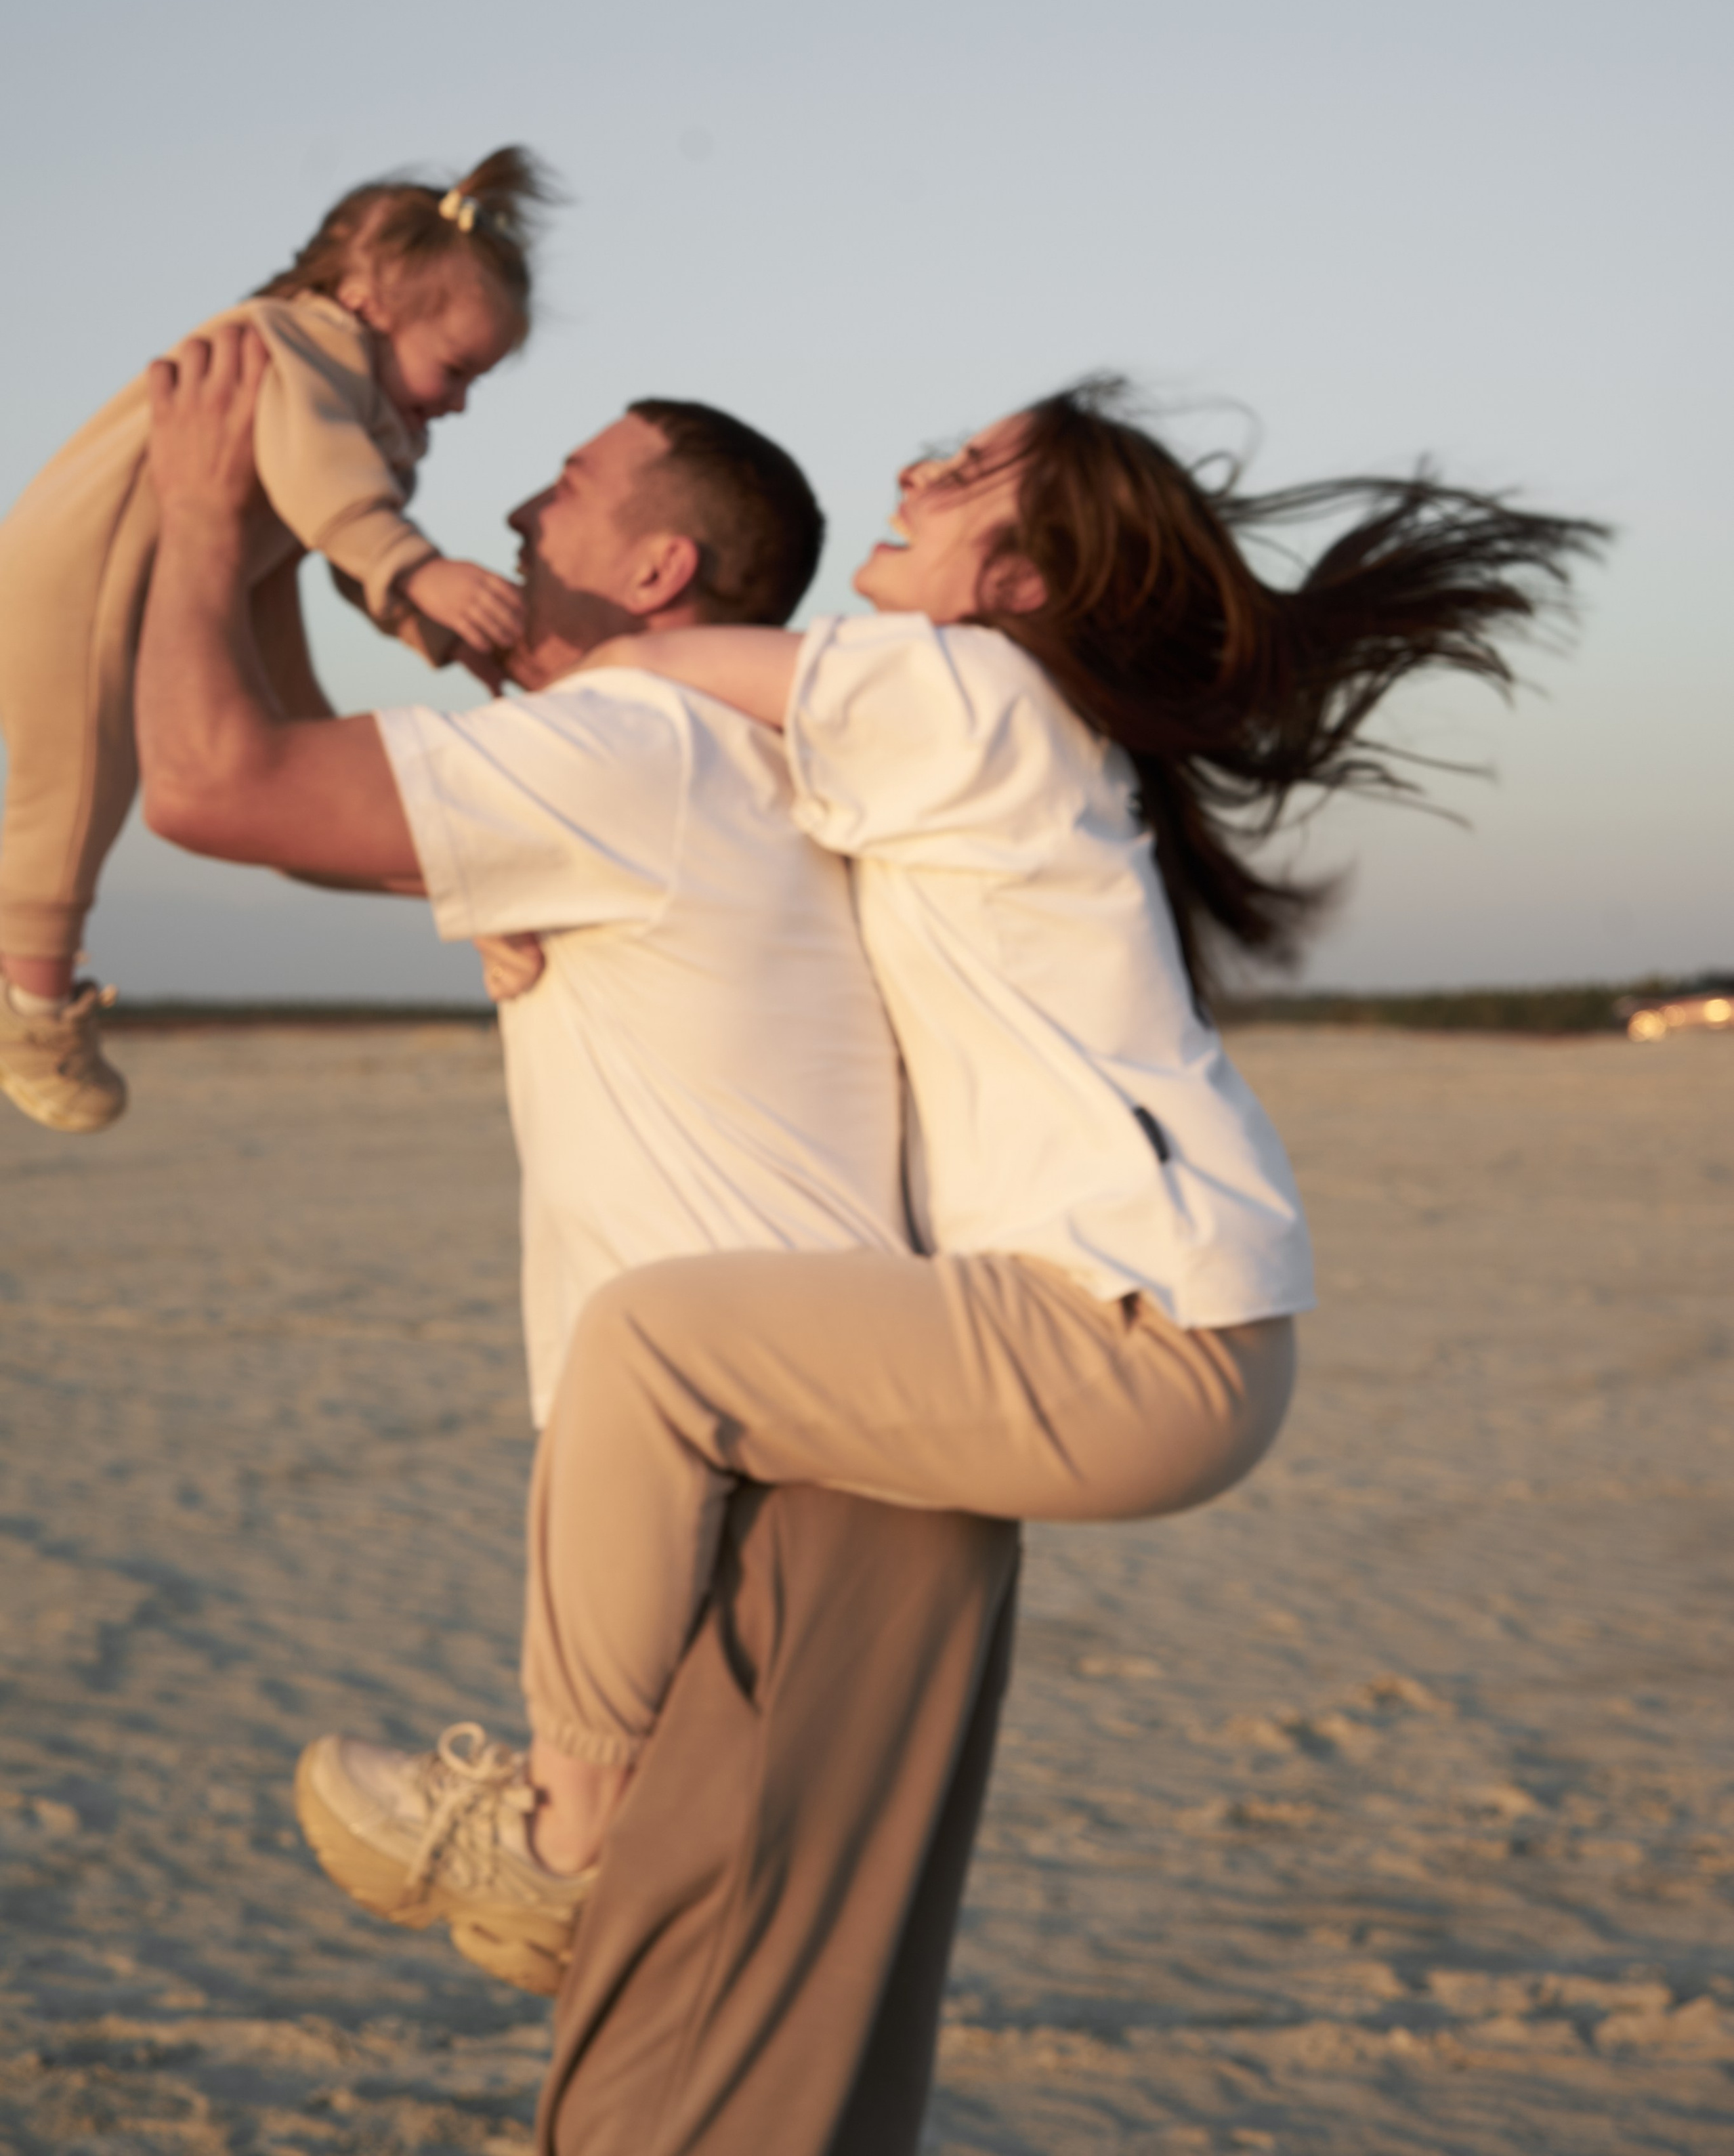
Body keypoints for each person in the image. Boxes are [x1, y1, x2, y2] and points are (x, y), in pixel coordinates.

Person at [410, 378, 1607, 1896]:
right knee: (670, 1356)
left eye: (965, 471)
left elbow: (638, 671)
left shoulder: (953, 687)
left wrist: (409, 578)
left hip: (1132, 1335)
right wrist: (512, 893)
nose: (911, 470)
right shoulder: (971, 734)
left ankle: (561, 1841)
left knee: (644, 1345)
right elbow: (721, 822)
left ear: (1015, 583)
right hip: (1172, 1331)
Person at [135, 326, 1019, 2156]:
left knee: (672, 2102)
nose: (517, 507)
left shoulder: (644, 749)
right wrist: (290, 546)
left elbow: (214, 786)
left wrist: (205, 515)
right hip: (821, 1482)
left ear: (659, 573)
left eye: (567, 489)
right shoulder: (666, 760)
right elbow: (305, 791)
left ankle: (562, 1827)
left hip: (798, 1499)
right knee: (739, 2092)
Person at [0, 146, 553, 1134]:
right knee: (78, 780)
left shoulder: (357, 405)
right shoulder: (288, 342)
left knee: (306, 761)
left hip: (232, 565)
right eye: (458, 367)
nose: (460, 400)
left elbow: (336, 528)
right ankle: (30, 1005)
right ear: (367, 296)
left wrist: (427, 621)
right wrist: (418, 567)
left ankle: (476, 883)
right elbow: (327, 482)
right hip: (86, 571)